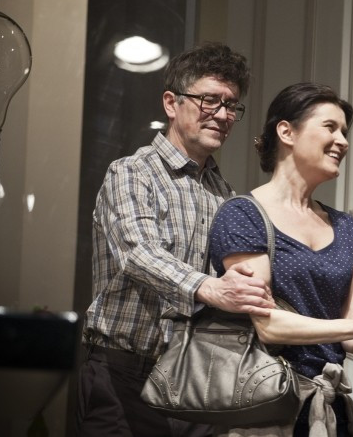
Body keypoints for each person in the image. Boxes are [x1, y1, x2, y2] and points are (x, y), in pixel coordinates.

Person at [77, 43, 276, 437]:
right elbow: (138, 253)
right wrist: (210, 288)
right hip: (122, 374)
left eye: (231, 105)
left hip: (192, 376)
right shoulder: (132, 173)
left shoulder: (224, 194)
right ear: (172, 103)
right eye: (209, 100)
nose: (223, 115)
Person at [208, 82, 353, 436]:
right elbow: (269, 325)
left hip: (329, 407)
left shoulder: (348, 229)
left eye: (344, 132)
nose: (343, 141)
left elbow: (351, 331)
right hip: (264, 407)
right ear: (286, 132)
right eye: (330, 127)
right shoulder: (243, 215)